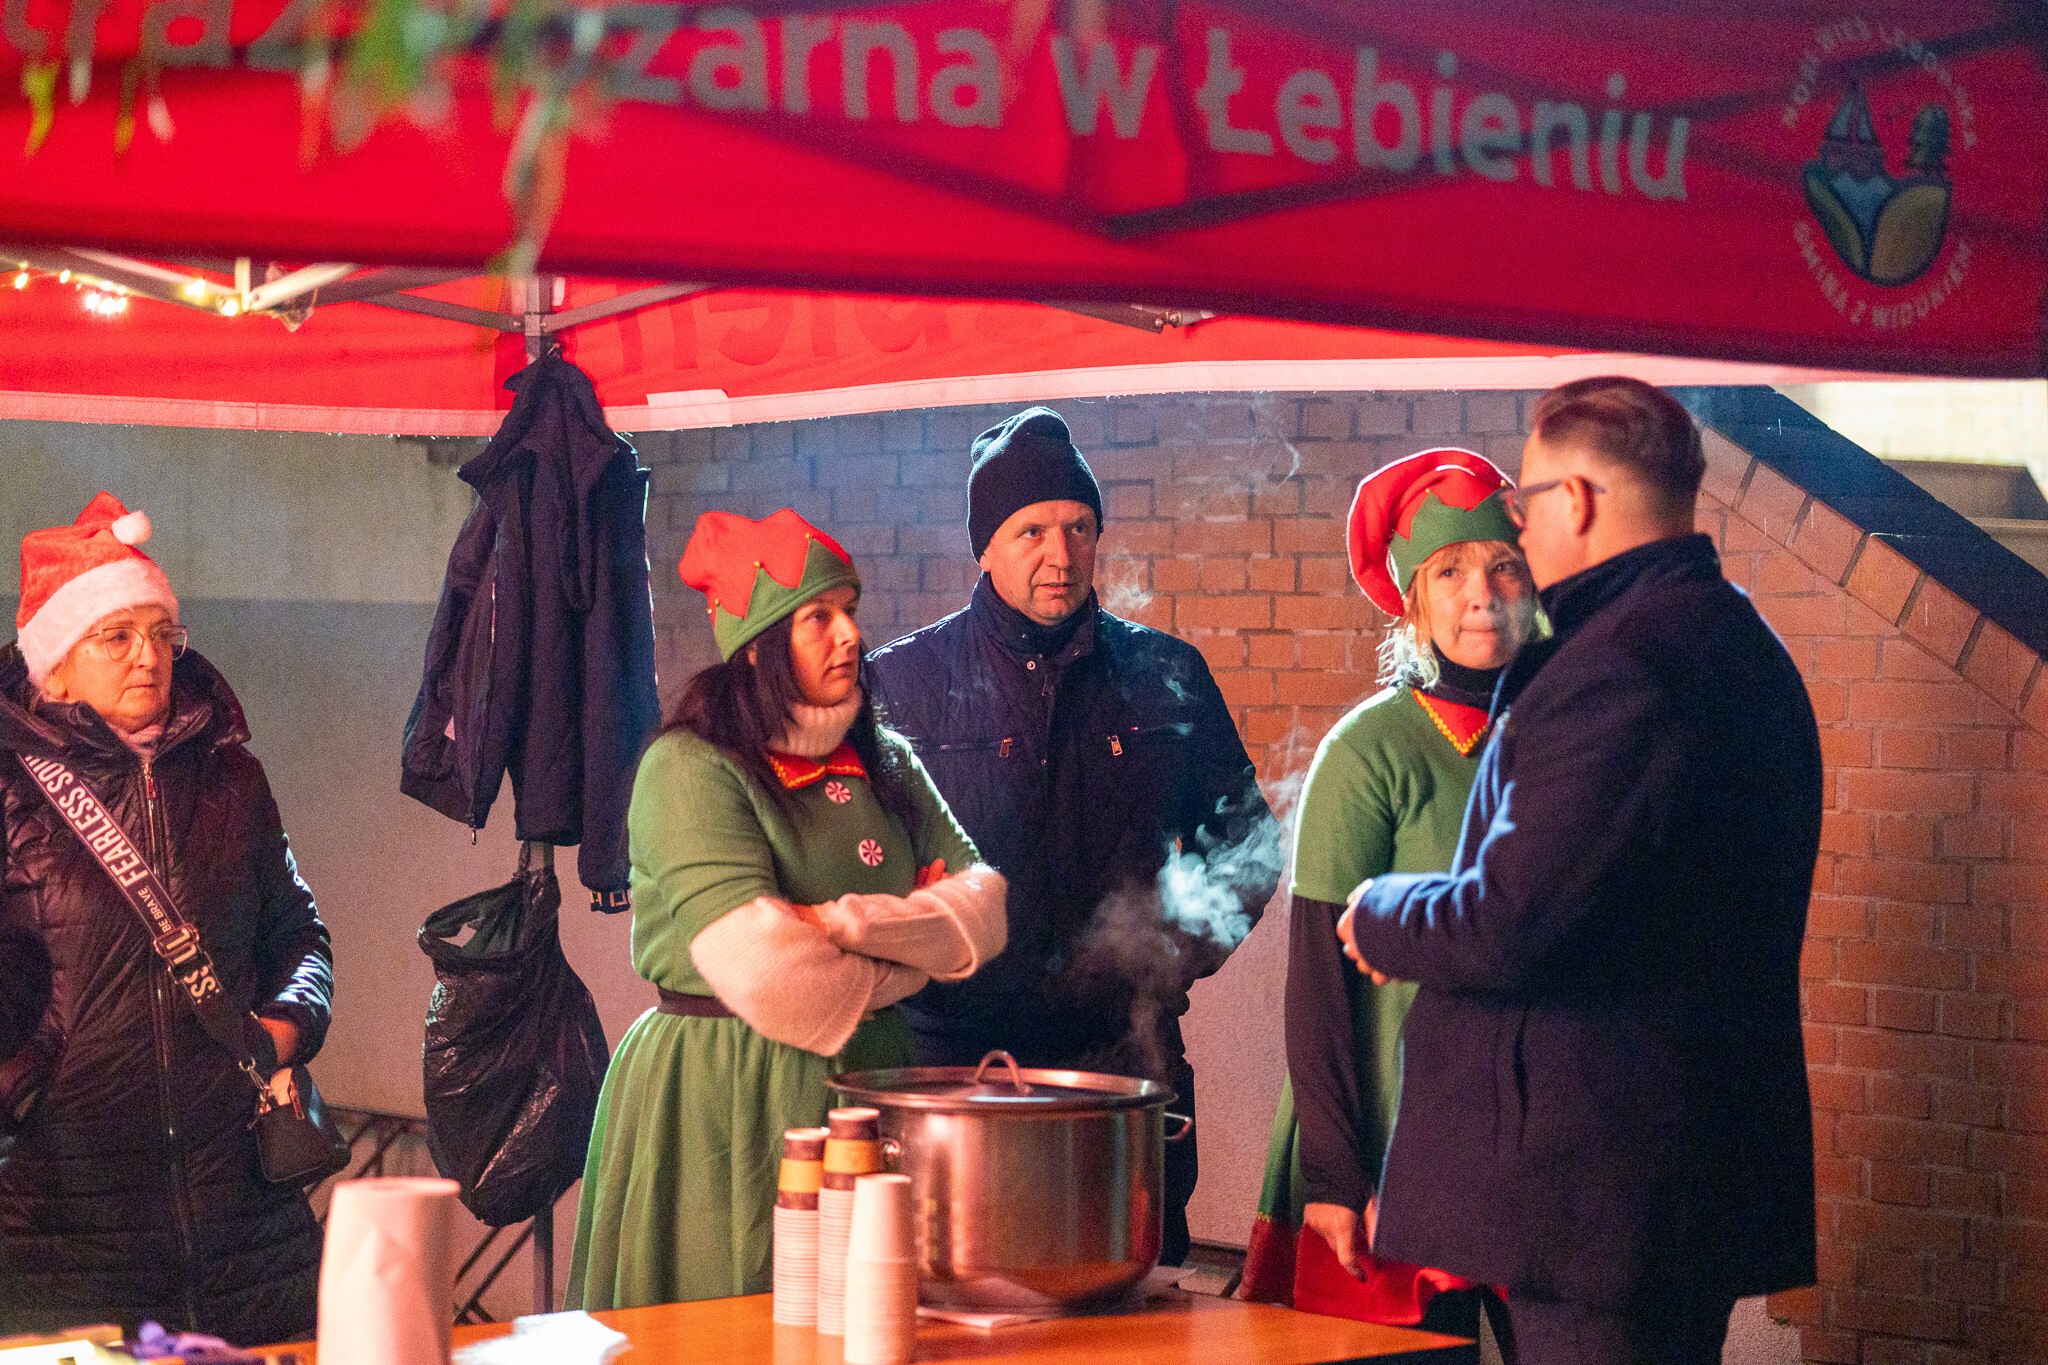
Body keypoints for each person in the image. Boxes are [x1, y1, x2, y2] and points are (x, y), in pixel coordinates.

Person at [1337, 378, 1821, 1365]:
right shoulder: (1737, 641)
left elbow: (1513, 917)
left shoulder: (1621, 665)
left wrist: (1381, 911)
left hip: (1601, 1190)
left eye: (1523, 503)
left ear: (1580, 501)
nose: (1517, 529)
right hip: (1668, 1177)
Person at [866, 406, 1279, 1266]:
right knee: (955, 1298)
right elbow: (858, 861)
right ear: (985, 546)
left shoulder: (1166, 673)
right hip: (953, 1065)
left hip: (1124, 1058)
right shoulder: (902, 683)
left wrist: (1168, 954)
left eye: (1079, 527)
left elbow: (1250, 843)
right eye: (1032, 531)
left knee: (1136, 1295)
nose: (1060, 553)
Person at [567, 508, 1006, 1309]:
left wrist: (839, 924)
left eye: (850, 609)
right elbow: (768, 973)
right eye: (818, 617)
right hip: (720, 1086)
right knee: (724, 1319)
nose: (850, 634)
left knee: (865, 1320)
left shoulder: (884, 759)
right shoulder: (689, 768)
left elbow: (984, 912)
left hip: (869, 1079)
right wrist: (914, 945)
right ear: (759, 645)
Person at [0, 493, 333, 1344]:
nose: (147, 656)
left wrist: (287, 1026)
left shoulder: (231, 778)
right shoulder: (8, 794)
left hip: (248, 1225)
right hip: (65, 1231)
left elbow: (298, 934)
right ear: (55, 667)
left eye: (160, 633)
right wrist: (27, 1077)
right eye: (115, 636)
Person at [1241, 450, 1533, 1347]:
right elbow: (1318, 982)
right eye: (1450, 572)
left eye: (1503, 566)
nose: (1481, 593)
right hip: (1388, 1146)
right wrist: (1336, 1175)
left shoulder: (1561, 733)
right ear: (1412, 602)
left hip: (1528, 1142)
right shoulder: (1368, 751)